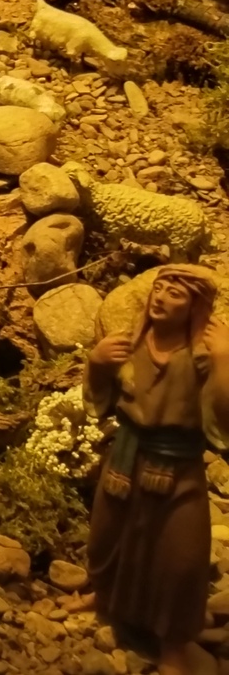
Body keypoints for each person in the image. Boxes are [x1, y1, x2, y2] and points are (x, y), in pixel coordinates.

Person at [85, 269, 229, 675]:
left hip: (177, 465)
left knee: (179, 558)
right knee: (108, 534)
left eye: (175, 294)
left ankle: (174, 645)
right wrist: (97, 363)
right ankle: (105, 599)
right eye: (159, 288)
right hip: (126, 455)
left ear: (194, 308)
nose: (161, 297)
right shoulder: (130, 343)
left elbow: (224, 419)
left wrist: (224, 360)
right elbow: (100, 401)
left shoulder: (201, 356)